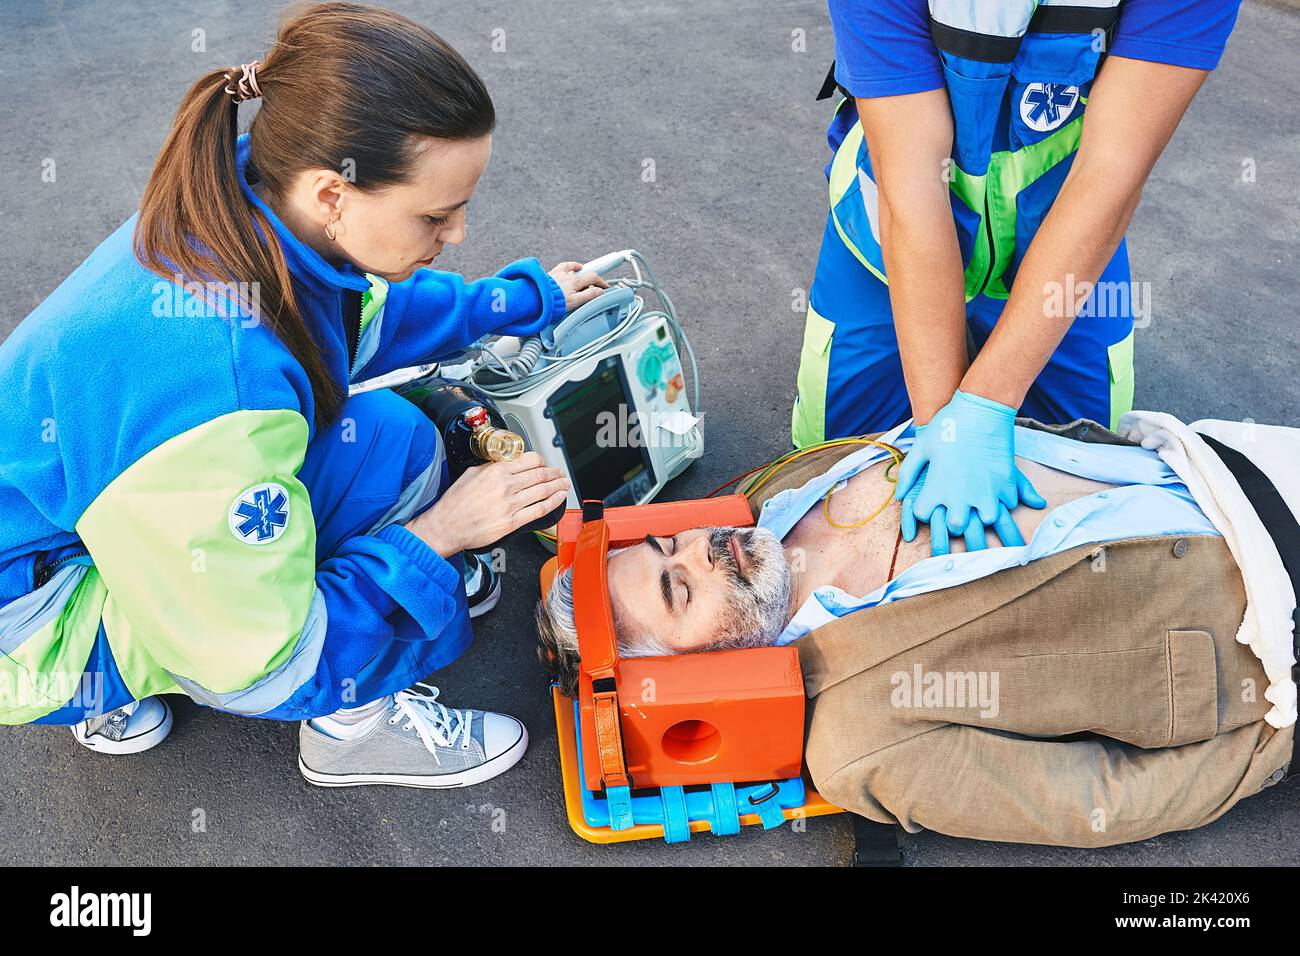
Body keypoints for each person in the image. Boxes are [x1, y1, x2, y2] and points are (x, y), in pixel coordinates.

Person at [0, 2, 609, 790]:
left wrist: (527, 301)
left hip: (67, 524)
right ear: (334, 194)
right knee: (377, 483)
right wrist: (439, 536)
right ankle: (350, 733)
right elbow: (271, 662)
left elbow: (364, 318)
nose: (457, 232)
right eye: (436, 213)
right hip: (23, 627)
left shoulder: (243, 208)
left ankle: (111, 681)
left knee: (381, 434)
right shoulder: (221, 390)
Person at [534, 414, 1299, 846]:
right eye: (679, 592)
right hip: (1270, 619)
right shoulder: (859, 734)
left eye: (671, 547)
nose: (701, 553)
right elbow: (1096, 802)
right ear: (687, 676)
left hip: (1224, 462)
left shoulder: (783, 492)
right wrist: (1266, 745)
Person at [790, 0, 1245, 556]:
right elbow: (911, 183)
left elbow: (1115, 166)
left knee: (1090, 498)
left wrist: (986, 406)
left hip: (1062, 246)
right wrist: (945, 429)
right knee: (827, 484)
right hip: (890, 243)